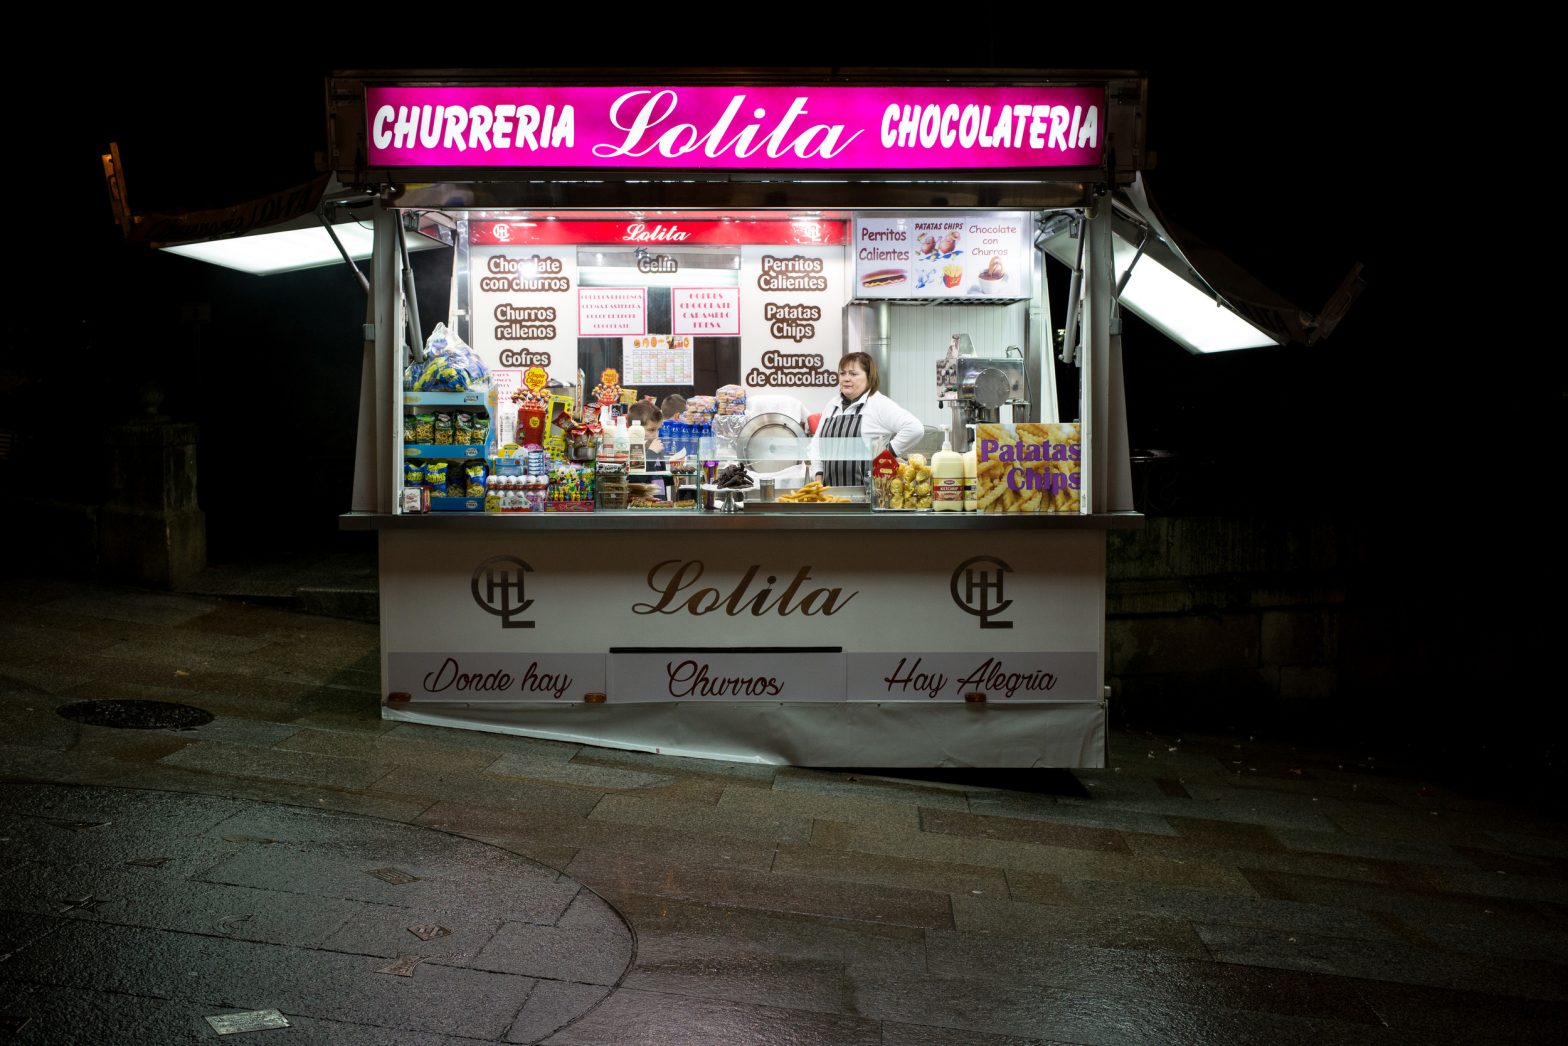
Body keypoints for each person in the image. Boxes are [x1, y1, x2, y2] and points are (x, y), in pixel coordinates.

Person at [808, 352, 923, 487]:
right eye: (842, 373)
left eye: (853, 374)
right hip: (831, 495)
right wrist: (818, 474)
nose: (846, 378)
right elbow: (817, 443)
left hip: (868, 497)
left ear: (869, 376)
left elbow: (915, 428)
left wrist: (886, 456)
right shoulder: (832, 405)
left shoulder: (878, 403)